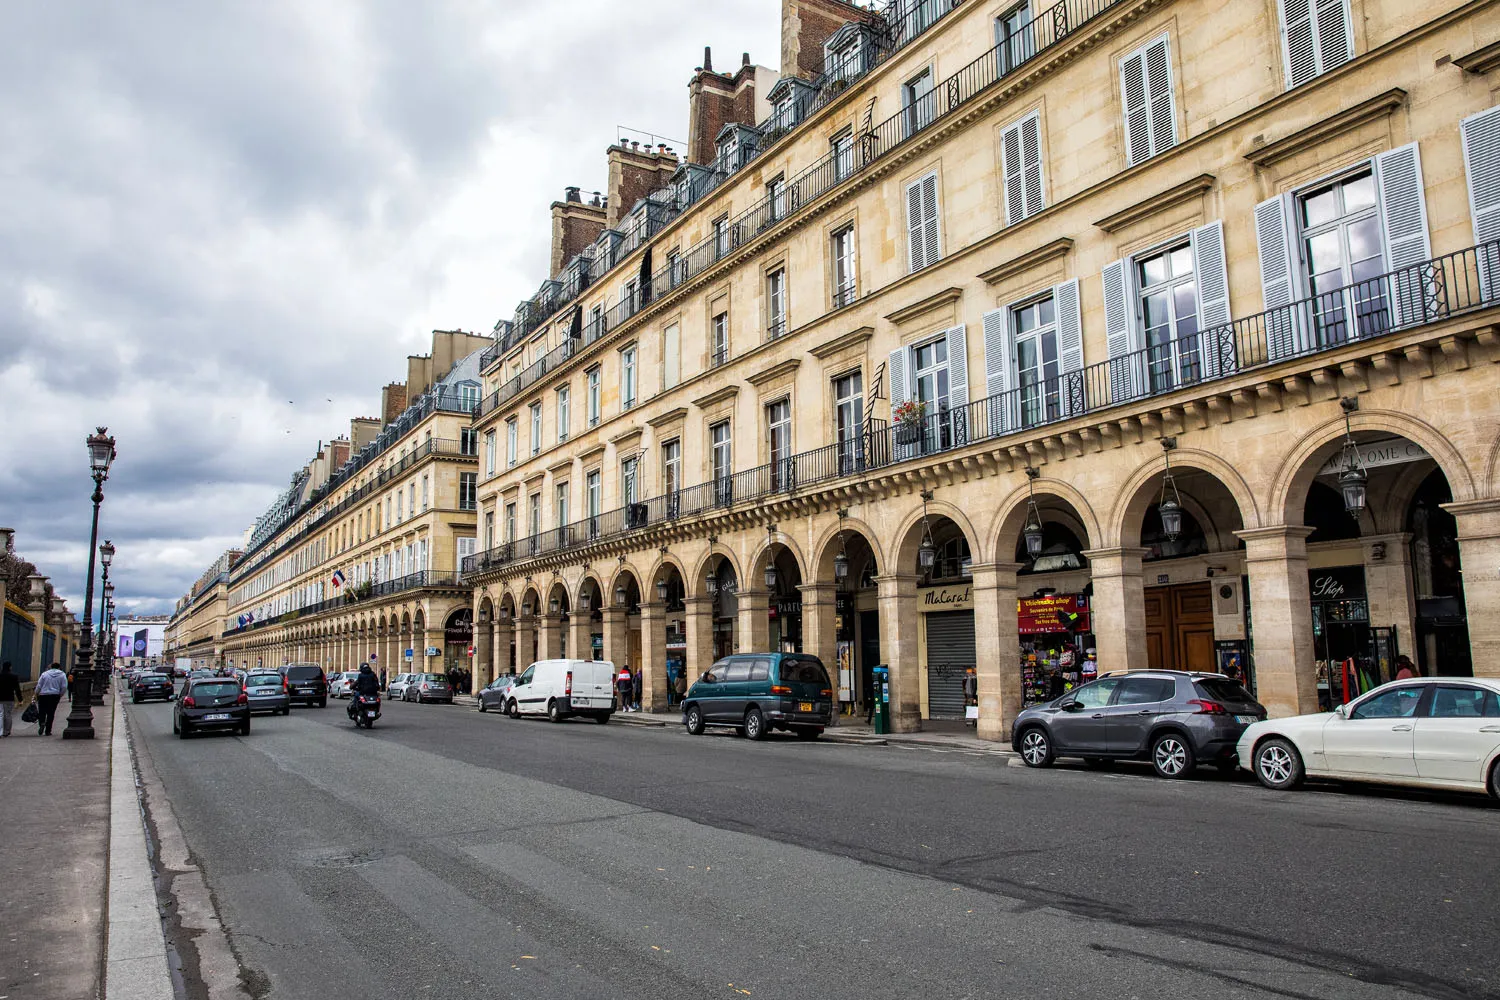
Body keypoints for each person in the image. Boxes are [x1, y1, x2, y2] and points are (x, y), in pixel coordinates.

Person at [34, 662, 69, 736]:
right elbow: (64, 686)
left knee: (42, 711)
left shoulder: (44, 674)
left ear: (51, 667)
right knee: (51, 713)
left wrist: (36, 693)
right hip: (54, 695)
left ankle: (42, 723)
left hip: (43, 695)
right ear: (59, 667)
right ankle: (48, 730)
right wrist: (60, 694)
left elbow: (39, 685)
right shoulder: (62, 675)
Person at [0, 662, 21, 737]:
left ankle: (0, 730)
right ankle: (6, 731)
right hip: (9, 698)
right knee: (7, 714)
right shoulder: (14, 676)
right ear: (10, 667)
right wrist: (20, 699)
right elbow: (17, 689)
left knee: (1, 714)